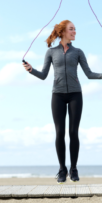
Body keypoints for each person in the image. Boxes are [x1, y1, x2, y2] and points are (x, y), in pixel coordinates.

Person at [23, 20, 102, 183]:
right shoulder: (51, 52)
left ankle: (73, 169)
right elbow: (44, 75)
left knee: (73, 132)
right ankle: (62, 170)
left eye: (75, 29)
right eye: (71, 29)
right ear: (63, 32)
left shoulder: (78, 52)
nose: (74, 32)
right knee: (59, 133)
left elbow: (89, 73)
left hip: (75, 95)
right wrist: (31, 70)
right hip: (57, 95)